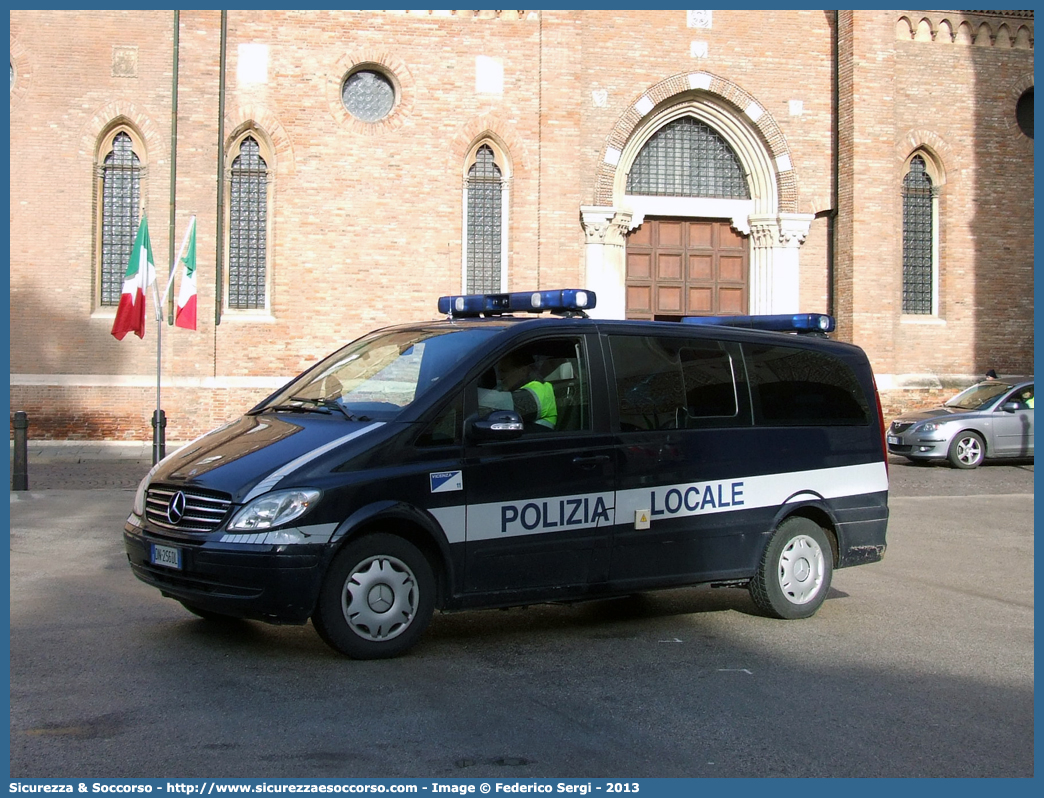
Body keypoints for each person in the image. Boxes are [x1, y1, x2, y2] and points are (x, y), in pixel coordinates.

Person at [478, 350, 558, 431]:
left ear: (523, 371)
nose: (500, 377)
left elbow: (505, 405)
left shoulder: (541, 390)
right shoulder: (515, 388)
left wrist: (470, 396)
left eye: (504, 371)